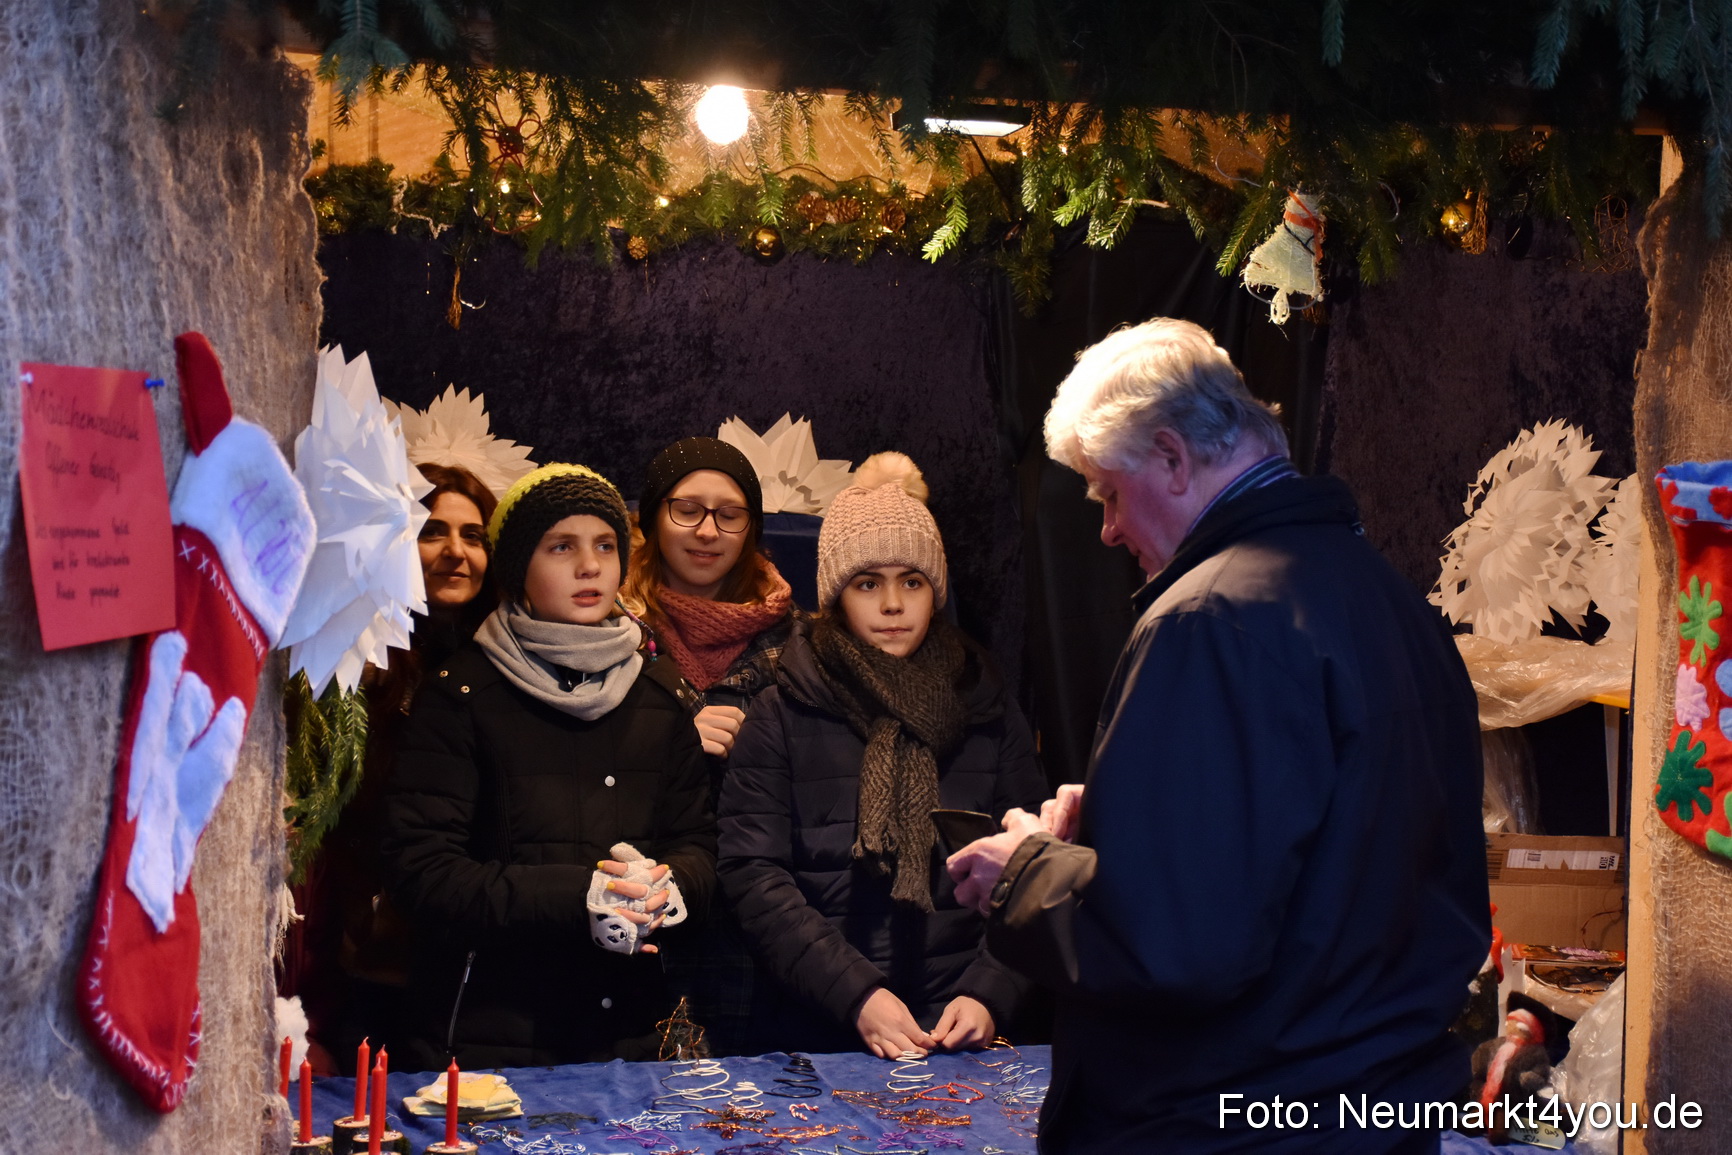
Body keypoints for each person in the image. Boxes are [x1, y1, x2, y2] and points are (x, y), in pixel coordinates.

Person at [947, 319, 1489, 1153]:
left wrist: (1024, 869)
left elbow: (1175, 945)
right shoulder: (1394, 604)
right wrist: (1120, 828)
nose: (1106, 530)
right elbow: (1334, 869)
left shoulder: (1208, 617)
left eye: (1107, 492)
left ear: (1170, 456)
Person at [381, 463, 715, 1070]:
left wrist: (669, 890)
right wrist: (580, 897)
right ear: (518, 569)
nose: (590, 566)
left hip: (630, 1039)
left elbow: (699, 843)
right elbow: (421, 871)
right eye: (562, 546)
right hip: (488, 1045)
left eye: (606, 546)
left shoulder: (660, 692)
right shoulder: (460, 694)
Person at [719, 453, 1046, 1059]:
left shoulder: (986, 707)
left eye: (912, 581)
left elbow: (1033, 867)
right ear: (838, 595)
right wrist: (857, 996)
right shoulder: (783, 711)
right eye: (869, 583)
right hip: (820, 1034)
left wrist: (988, 993)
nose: (893, 605)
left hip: (963, 1035)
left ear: (935, 590)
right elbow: (754, 875)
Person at [285, 462, 500, 1072]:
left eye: (474, 536)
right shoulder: (357, 659)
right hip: (365, 960)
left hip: (468, 951)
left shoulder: (499, 655)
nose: (457, 552)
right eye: (433, 531)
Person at [622, 436, 801, 1053]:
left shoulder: (798, 642)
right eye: (686, 509)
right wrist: (671, 739)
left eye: (729, 514)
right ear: (652, 518)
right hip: (637, 914)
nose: (707, 530)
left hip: (761, 927)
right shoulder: (606, 632)